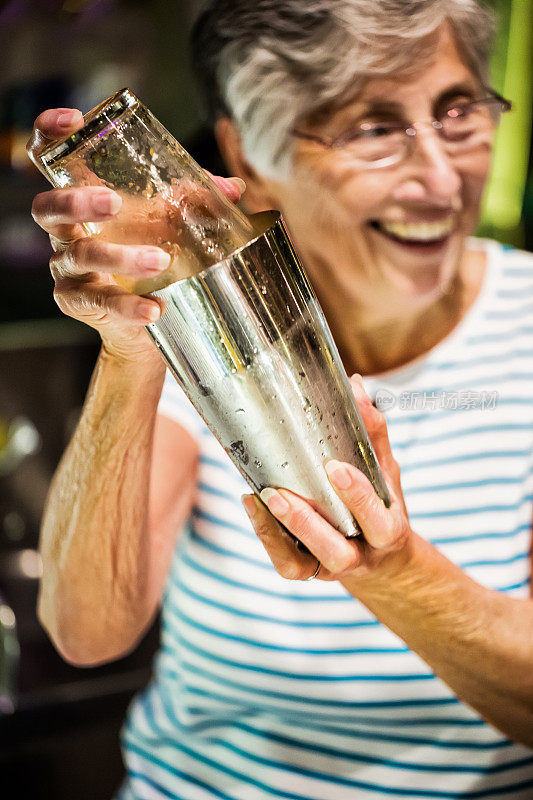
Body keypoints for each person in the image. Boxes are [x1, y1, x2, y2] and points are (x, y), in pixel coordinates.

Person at [27, 1, 533, 798]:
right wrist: (132, 340)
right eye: (370, 129)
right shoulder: (206, 325)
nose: (441, 178)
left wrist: (390, 569)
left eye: (457, 111)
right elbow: (84, 631)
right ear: (245, 154)